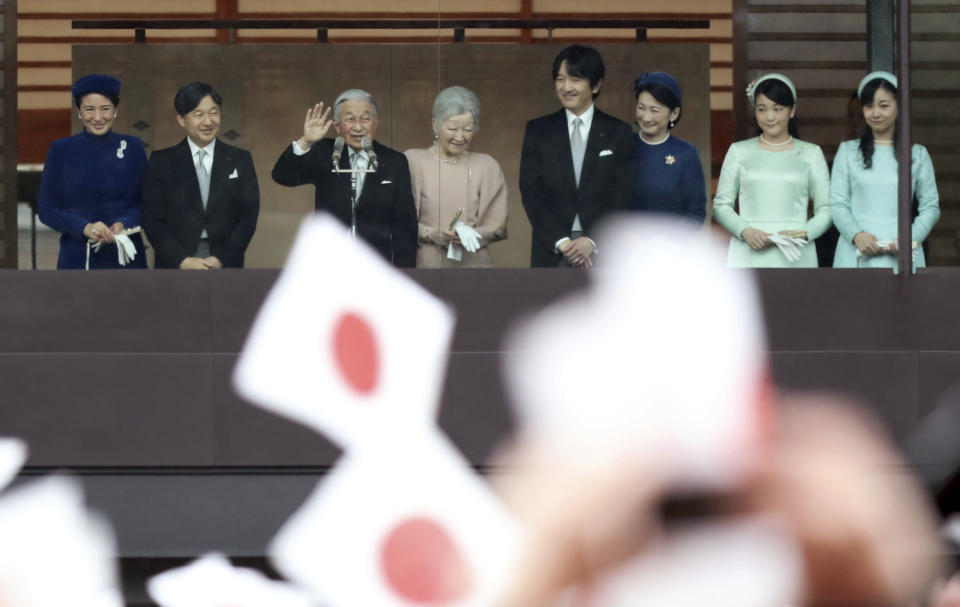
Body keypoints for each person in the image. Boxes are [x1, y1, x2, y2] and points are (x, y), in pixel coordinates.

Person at [272, 89, 417, 267]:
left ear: (376, 123)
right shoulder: (325, 153)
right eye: (350, 119)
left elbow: (405, 224)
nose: (358, 127)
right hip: (329, 262)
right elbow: (283, 176)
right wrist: (305, 142)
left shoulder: (394, 161)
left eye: (365, 119)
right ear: (337, 125)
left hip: (376, 265)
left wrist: (406, 273)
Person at [519, 45, 634, 268]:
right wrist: (562, 242)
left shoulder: (618, 131)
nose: (566, 87)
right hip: (552, 248)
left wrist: (591, 240)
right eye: (560, 79)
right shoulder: (538, 130)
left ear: (596, 84)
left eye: (575, 79)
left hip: (603, 249)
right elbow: (531, 191)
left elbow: (623, 193)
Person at [713, 73, 832, 267]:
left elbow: (826, 209)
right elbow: (721, 205)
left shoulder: (811, 153)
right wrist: (745, 231)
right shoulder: (739, 151)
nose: (770, 117)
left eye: (778, 109)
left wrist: (802, 233)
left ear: (792, 111)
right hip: (748, 251)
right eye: (762, 109)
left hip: (795, 251)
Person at [142, 82, 260, 269]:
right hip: (175, 263)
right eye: (198, 114)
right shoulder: (162, 161)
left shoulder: (240, 159)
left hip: (225, 262)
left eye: (213, 112)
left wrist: (222, 258)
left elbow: (248, 217)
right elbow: (152, 219)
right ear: (181, 119)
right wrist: (181, 260)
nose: (208, 121)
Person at [831, 71, 940, 271]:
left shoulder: (917, 154)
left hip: (902, 247)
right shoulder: (847, 152)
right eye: (869, 106)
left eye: (884, 106)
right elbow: (838, 204)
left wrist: (909, 238)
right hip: (855, 249)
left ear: (899, 107)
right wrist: (856, 235)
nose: (876, 113)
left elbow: (931, 207)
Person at [37, 74, 148, 269]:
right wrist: (84, 227)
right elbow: (47, 210)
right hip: (77, 255)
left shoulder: (133, 147)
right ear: (79, 112)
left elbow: (147, 202)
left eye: (105, 109)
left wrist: (123, 224)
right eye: (89, 110)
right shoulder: (61, 150)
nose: (98, 117)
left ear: (115, 110)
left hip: (126, 255)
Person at [404, 86, 508, 268]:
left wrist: (470, 234)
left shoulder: (487, 165)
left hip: (474, 265)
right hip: (426, 265)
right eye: (452, 128)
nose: (460, 137)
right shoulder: (412, 161)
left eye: (468, 129)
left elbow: (498, 225)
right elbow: (399, 219)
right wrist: (431, 233)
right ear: (435, 125)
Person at [629, 71, 706, 226]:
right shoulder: (622, 146)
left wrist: (670, 241)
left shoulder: (686, 153)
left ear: (674, 113)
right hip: (626, 244)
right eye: (641, 107)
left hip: (669, 246)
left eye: (654, 110)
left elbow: (696, 212)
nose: (646, 117)